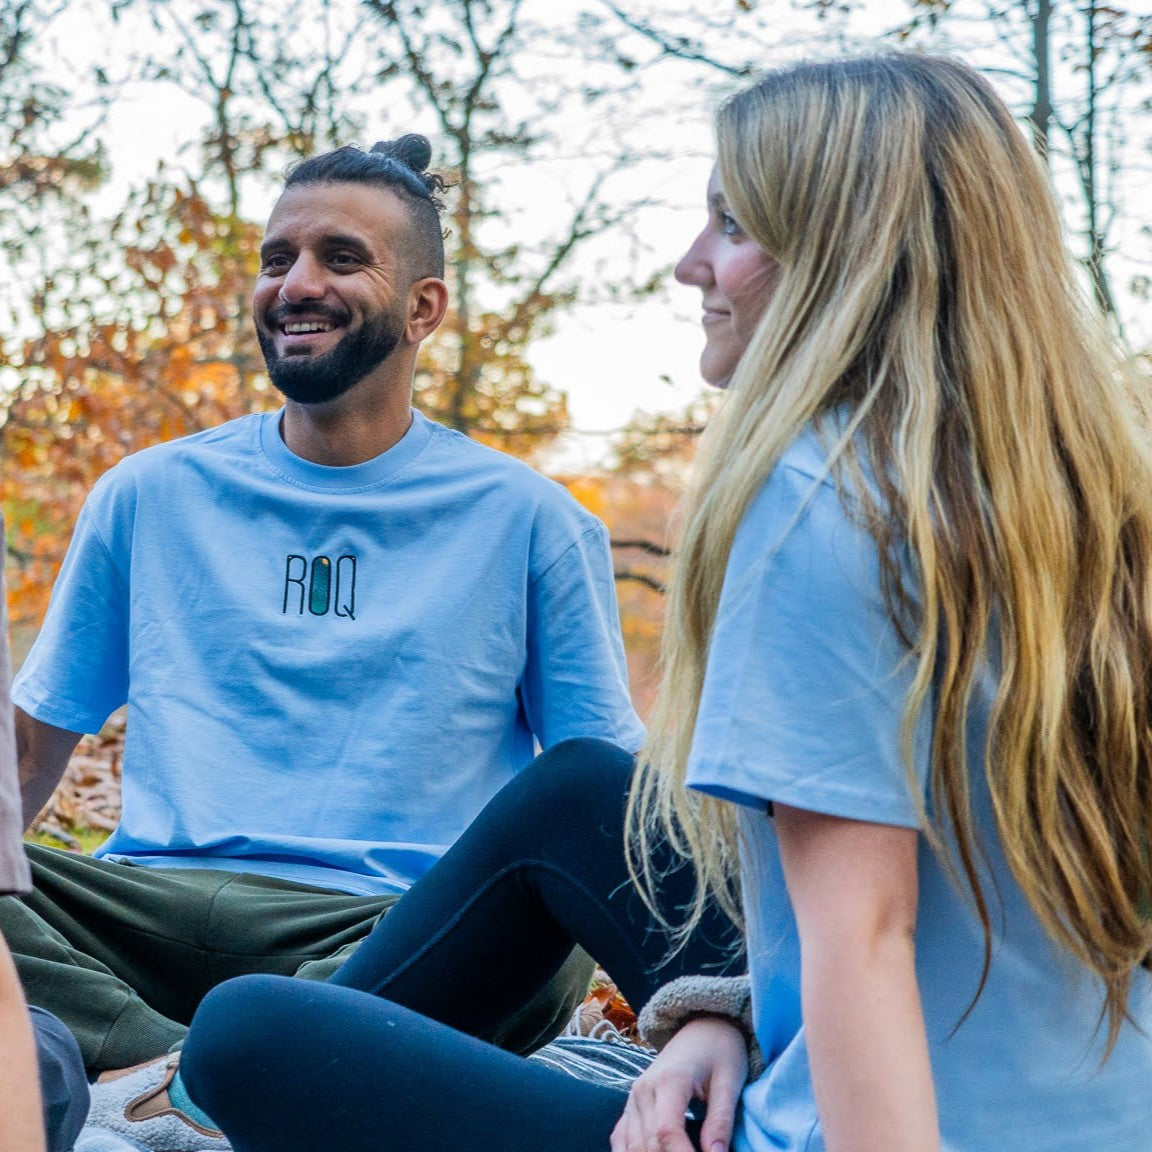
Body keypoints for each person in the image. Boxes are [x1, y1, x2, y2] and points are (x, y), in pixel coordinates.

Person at [177, 52, 1152, 1152]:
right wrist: (722, 1009)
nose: (691, 263)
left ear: (846, 258)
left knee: (244, 1038)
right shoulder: (1089, 493)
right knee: (584, 792)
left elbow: (869, 935)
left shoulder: (821, 504)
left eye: (731, 226)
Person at [2, 134, 644, 1146]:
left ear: (424, 309)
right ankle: (175, 1072)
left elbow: (599, 783)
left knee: (543, 949)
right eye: (275, 260)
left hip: (388, 932)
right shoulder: (148, 495)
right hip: (138, 916)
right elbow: (31, 750)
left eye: (341, 258)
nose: (295, 284)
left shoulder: (532, 521)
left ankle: (201, 1075)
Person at [2, 530, 90, 1152]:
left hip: (365, 911)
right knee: (50, 1065)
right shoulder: (140, 491)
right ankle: (178, 1055)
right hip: (138, 886)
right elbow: (31, 753)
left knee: (51, 1061)